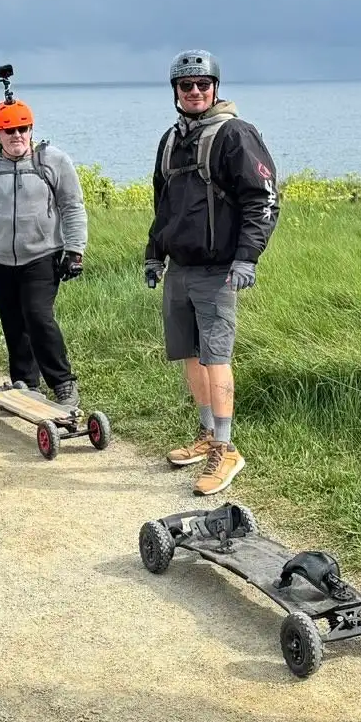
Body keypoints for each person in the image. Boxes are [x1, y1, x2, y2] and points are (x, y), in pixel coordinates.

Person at [144, 50, 278, 496]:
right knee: (190, 353)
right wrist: (153, 254)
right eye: (187, 86)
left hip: (219, 270)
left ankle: (226, 447)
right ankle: (206, 434)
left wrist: (247, 257)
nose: (195, 92)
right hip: (179, 268)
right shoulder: (171, 139)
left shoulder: (235, 135)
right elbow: (163, 206)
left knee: (217, 356)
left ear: (216, 88)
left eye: (203, 84)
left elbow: (263, 200)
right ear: (176, 92)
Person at [0, 82, 90, 407]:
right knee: (13, 322)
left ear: (31, 129)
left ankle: (62, 382)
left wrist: (74, 250)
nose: (16, 135)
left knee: (37, 316)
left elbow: (73, 206)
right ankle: (24, 382)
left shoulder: (53, 162)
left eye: (22, 129)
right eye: (9, 130)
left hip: (42, 257)